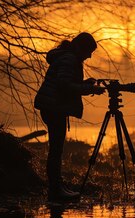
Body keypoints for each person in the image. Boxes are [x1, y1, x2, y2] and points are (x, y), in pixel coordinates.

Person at [35, 32, 105, 201]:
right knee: (56, 150)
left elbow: (66, 83)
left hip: (52, 106)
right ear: (81, 48)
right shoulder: (70, 59)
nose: (89, 56)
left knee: (56, 150)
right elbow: (64, 86)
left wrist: (86, 84)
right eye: (89, 52)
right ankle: (55, 191)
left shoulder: (67, 57)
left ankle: (57, 187)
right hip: (53, 107)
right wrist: (90, 89)